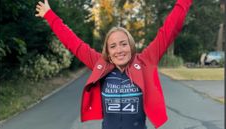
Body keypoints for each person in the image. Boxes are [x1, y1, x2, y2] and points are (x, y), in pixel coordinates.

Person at [35, 0, 192, 128]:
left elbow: (169, 29)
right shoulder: (100, 64)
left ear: (131, 45)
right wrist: (50, 15)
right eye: (113, 46)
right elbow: (73, 43)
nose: (119, 50)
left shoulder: (146, 61)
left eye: (123, 44)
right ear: (108, 52)